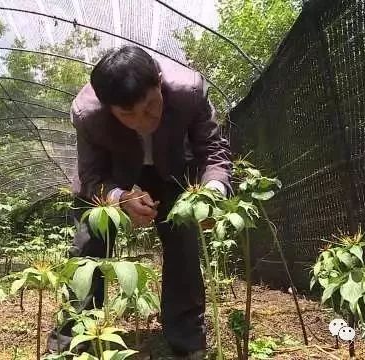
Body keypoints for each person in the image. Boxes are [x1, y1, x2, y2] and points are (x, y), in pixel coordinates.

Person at [47, 45, 232, 359]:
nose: (142, 120)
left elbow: (213, 152)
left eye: (150, 106)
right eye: (126, 115)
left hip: (173, 173)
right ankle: (71, 340)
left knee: (184, 240)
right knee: (89, 243)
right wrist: (119, 197)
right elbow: (90, 176)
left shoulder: (189, 90)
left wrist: (211, 196)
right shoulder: (87, 113)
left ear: (159, 82)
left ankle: (187, 339)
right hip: (116, 179)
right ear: (109, 109)